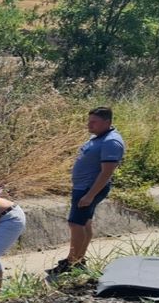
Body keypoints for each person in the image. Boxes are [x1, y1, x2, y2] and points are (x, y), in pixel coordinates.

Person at [48, 106, 126, 276]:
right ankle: (79, 260)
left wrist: (90, 195)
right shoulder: (98, 137)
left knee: (76, 224)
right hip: (82, 187)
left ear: (107, 122)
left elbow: (107, 172)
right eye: (89, 121)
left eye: (94, 122)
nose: (89, 125)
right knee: (84, 223)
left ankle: (72, 262)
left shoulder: (111, 142)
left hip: (88, 188)